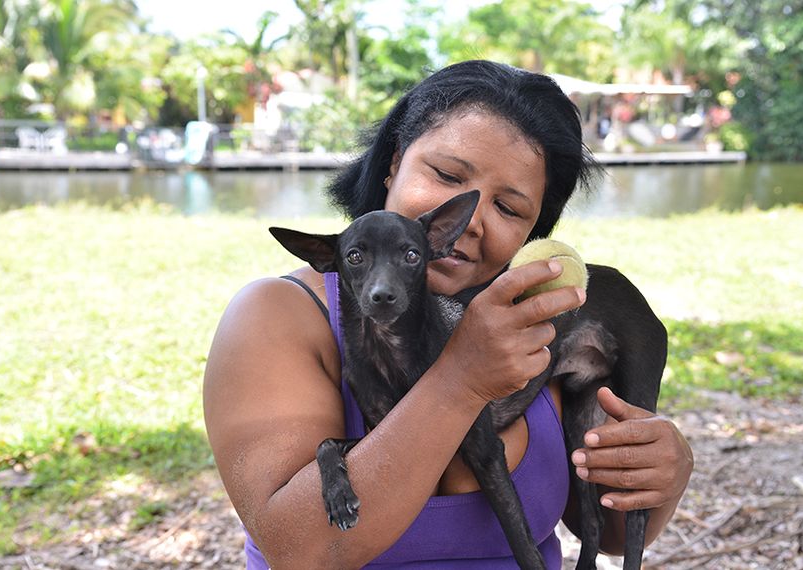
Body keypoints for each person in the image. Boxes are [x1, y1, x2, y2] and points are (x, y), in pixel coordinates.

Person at [203, 60, 694, 569]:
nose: (471, 221)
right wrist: (461, 380)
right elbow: (297, 551)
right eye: (446, 175)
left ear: (533, 233)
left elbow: (611, 532)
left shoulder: (526, 325)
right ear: (395, 163)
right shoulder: (277, 317)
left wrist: (665, 476)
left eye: (508, 209)